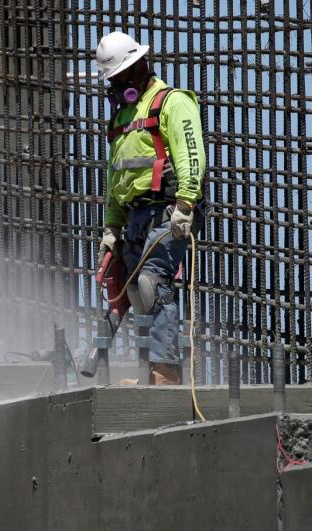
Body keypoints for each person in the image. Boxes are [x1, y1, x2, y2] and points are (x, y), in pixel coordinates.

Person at [94, 31, 205, 385]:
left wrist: (186, 203)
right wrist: (112, 227)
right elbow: (117, 176)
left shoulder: (172, 102)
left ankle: (166, 373)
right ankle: (149, 371)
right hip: (136, 215)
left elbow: (191, 154)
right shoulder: (123, 116)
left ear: (139, 68)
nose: (115, 85)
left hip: (171, 207)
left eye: (120, 76)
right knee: (132, 292)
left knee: (151, 281)